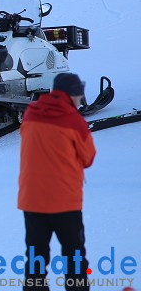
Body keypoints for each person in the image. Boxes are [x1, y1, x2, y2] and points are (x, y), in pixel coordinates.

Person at [18, 72, 95, 288]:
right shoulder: (74, 121)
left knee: (36, 256)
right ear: (71, 95)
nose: (81, 100)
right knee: (74, 256)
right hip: (64, 201)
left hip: (32, 201)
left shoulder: (30, 115)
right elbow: (88, 158)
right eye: (79, 95)